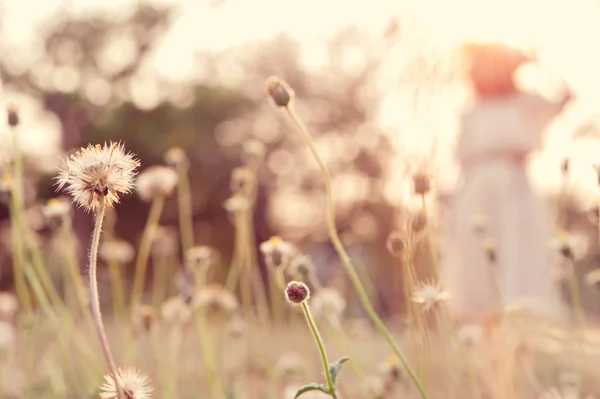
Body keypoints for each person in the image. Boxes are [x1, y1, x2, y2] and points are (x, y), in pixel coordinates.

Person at [440, 41, 571, 322]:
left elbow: (566, 97)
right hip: (477, 189)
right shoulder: (470, 110)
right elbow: (460, 156)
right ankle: (479, 325)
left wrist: (537, 64)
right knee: (476, 257)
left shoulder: (525, 102)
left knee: (518, 251)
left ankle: (521, 322)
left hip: (515, 188)